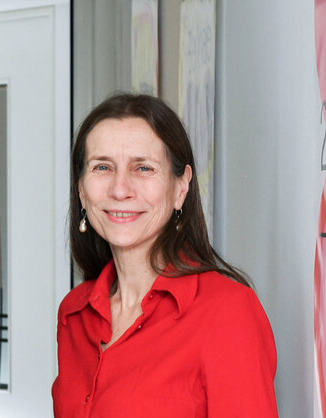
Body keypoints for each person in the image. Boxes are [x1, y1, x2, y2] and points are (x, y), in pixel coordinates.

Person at [52, 93, 277, 417]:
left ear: (180, 187)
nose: (120, 189)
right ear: (82, 190)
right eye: (102, 167)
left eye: (143, 168)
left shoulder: (227, 311)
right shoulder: (74, 313)